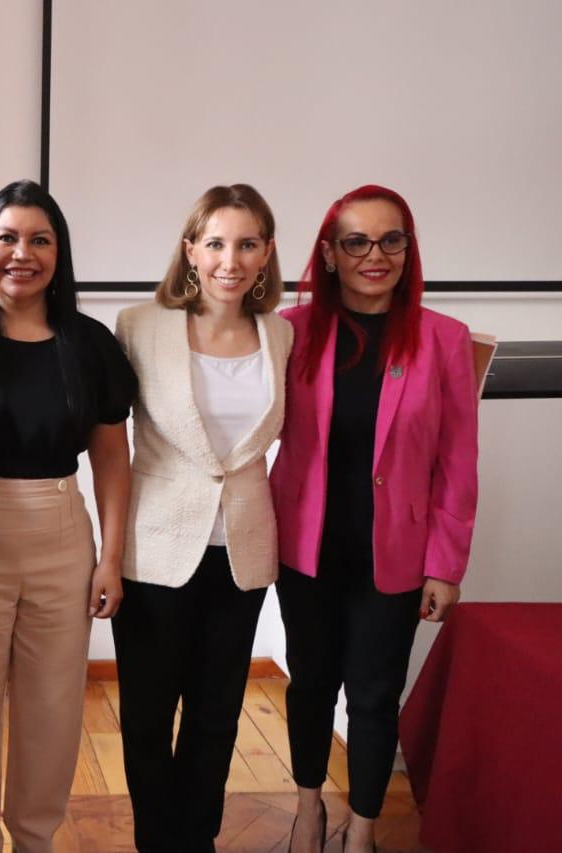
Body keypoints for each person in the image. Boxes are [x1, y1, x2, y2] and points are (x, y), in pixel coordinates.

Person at [0, 180, 134, 852]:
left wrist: (110, 558)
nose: (23, 253)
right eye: (7, 238)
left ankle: (36, 839)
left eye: (40, 240)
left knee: (53, 708)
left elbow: (112, 456)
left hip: (62, 536)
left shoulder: (89, 343)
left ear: (59, 253)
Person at [272, 185, 478, 853]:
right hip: (305, 548)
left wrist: (446, 565)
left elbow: (457, 460)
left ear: (408, 250)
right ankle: (308, 809)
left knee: (374, 694)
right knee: (310, 684)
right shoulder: (290, 330)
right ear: (330, 254)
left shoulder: (444, 339)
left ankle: (362, 831)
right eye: (356, 241)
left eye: (392, 240)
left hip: (396, 553)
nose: (375, 255)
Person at [112, 184, 293, 852]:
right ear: (191, 250)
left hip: (241, 551)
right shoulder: (139, 325)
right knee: (147, 716)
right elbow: (109, 442)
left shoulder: (282, 334)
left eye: (247, 244)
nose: (230, 260)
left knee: (216, 717)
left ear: (267, 253)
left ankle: (197, 840)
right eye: (216, 243)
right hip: (156, 550)